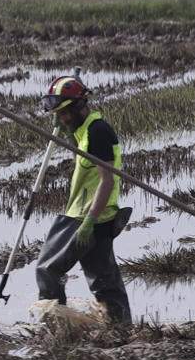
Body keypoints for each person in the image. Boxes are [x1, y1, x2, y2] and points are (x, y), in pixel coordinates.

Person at [33, 75, 132, 325]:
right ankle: (120, 329)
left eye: (65, 113)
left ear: (79, 107)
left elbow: (106, 181)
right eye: (58, 114)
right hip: (97, 215)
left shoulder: (98, 132)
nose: (62, 119)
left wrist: (89, 222)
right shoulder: (85, 130)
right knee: (105, 283)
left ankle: (53, 326)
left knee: (47, 269)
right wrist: (65, 124)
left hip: (88, 217)